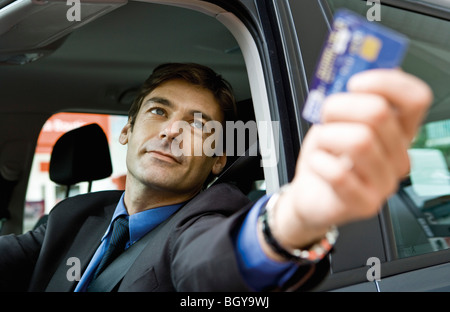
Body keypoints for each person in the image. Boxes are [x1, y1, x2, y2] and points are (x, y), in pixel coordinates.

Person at [0, 63, 431, 292]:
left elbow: (214, 263)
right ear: (128, 132)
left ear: (218, 159)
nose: (172, 130)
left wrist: (290, 221)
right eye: (158, 111)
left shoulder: (210, 216)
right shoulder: (71, 216)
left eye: (199, 123)